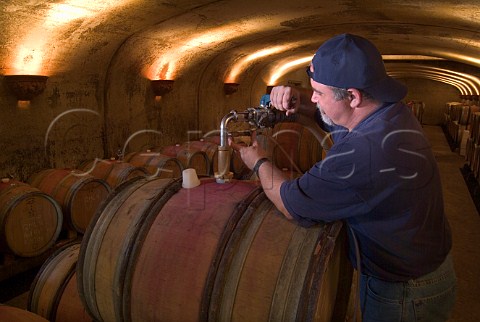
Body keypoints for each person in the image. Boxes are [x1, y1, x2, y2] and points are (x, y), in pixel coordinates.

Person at [230, 33, 456, 321]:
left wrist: (258, 161)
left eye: (318, 93)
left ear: (352, 96)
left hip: (405, 293)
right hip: (420, 268)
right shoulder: (387, 112)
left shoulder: (367, 151)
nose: (312, 98)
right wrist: (297, 102)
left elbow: (291, 203)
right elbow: (336, 120)